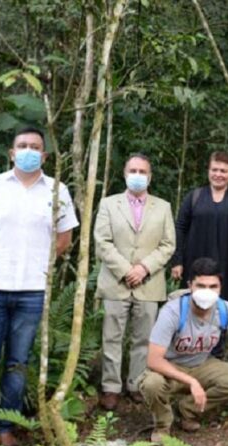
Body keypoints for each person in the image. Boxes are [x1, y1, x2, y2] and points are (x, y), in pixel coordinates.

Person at [0, 127, 80, 446]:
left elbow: (64, 239)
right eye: (22, 145)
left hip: (32, 291)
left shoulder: (58, 190)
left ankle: (5, 426)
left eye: (35, 147)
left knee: (18, 362)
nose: (28, 150)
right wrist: (3, 259)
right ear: (11, 152)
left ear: (44, 156)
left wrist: (34, 266)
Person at [140, 258, 228, 442]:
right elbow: (154, 360)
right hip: (171, 367)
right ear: (190, 286)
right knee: (151, 384)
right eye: (201, 286)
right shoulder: (172, 312)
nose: (207, 292)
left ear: (220, 287)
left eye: (213, 286)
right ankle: (163, 424)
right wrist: (191, 382)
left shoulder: (226, 311)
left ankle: (188, 409)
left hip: (201, 364)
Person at [94, 153, 176, 410]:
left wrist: (143, 268)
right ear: (124, 173)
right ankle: (111, 387)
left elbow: (168, 244)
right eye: (133, 170)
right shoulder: (109, 204)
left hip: (149, 283)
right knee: (112, 337)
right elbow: (102, 241)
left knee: (144, 337)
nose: (137, 176)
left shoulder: (162, 207)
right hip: (115, 282)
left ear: (150, 177)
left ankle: (137, 383)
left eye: (143, 172)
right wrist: (125, 270)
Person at [171, 151, 228, 303]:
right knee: (193, 305)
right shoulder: (194, 197)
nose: (218, 174)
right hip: (195, 262)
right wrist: (177, 261)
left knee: (224, 308)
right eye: (214, 170)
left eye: (223, 171)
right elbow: (180, 228)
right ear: (208, 171)